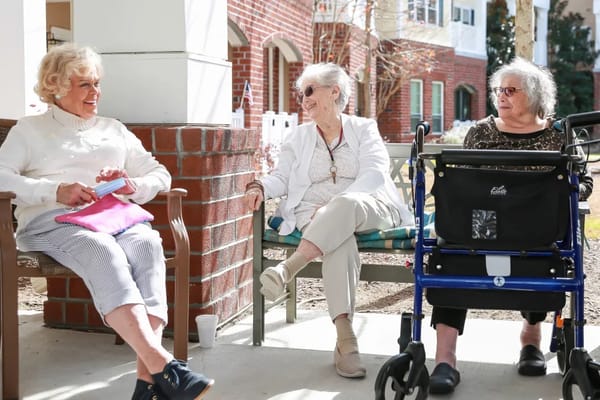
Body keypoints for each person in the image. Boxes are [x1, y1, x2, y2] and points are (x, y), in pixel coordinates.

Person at [0, 43, 214, 400]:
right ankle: (165, 365)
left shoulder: (114, 129)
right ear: (56, 85)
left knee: (148, 244)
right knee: (103, 251)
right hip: (53, 222)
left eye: (97, 83)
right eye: (85, 84)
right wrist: (55, 190)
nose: (95, 92)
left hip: (114, 217)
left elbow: (160, 174)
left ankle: (150, 383)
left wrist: (133, 185)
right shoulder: (30, 130)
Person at [428, 57, 593, 394]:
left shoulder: (560, 135)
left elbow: (584, 183)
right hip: (482, 227)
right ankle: (445, 359)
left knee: (539, 250)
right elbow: (464, 185)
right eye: (498, 90)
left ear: (533, 96)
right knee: (452, 254)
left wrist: (560, 192)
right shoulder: (481, 131)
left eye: (510, 91)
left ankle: (530, 339)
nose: (501, 96)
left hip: (537, 230)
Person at [245, 62, 413, 379]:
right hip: (314, 213)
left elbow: (375, 175)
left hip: (369, 207)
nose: (304, 100)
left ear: (334, 91)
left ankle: (287, 268)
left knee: (344, 208)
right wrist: (260, 186)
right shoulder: (299, 136)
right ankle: (345, 339)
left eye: (310, 91)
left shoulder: (364, 129)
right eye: (301, 94)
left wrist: (335, 205)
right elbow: (281, 176)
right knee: (339, 242)